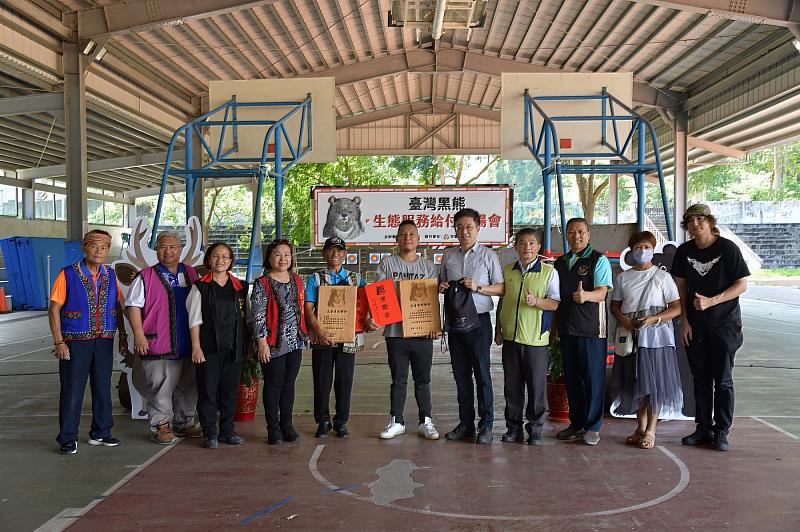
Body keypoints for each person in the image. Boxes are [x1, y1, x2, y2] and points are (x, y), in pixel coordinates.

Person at [672, 204, 749, 452]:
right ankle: (703, 427)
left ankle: (722, 431)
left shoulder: (727, 248)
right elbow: (681, 289)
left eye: (700, 218)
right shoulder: (684, 252)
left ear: (709, 221)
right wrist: (685, 321)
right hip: (696, 327)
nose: (695, 223)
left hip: (725, 325)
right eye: (690, 220)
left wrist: (711, 301)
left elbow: (741, 285)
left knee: (723, 380)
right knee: (700, 379)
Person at [48, 230, 126, 455]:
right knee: (72, 390)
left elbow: (118, 307)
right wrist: (59, 341)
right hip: (74, 342)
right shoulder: (68, 274)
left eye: (104, 247)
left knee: (102, 387)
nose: (100, 251)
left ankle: (101, 432)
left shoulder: (111, 275)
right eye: (94, 246)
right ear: (84, 247)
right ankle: (67, 437)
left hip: (104, 340)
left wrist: (123, 334)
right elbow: (54, 310)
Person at [610, 231, 683, 449]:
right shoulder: (623, 277)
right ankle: (640, 428)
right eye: (638, 248)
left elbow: (677, 307)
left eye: (646, 247)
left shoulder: (662, 277)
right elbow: (615, 305)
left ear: (653, 249)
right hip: (631, 337)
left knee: (655, 383)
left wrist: (655, 319)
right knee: (635, 381)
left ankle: (651, 429)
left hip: (656, 338)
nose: (642, 251)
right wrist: (625, 320)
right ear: (631, 251)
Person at [127, 231, 201, 445]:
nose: (168, 251)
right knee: (161, 386)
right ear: (156, 249)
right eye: (163, 247)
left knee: (188, 384)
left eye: (173, 247)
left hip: (188, 341)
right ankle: (161, 426)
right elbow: (133, 306)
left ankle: (184, 421)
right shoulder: (145, 276)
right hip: (158, 341)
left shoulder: (191, 274)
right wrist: (138, 334)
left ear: (180, 249)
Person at [438, 208, 505, 444]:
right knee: (461, 376)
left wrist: (478, 287)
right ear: (454, 230)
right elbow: (439, 284)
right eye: (459, 227)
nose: (464, 231)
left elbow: (501, 288)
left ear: (478, 228)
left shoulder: (488, 255)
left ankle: (486, 425)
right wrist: (442, 287)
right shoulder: (448, 256)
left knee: (482, 375)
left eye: (469, 227)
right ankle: (466, 424)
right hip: (456, 324)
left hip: (479, 322)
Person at [494, 228, 560, 446]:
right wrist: (499, 329)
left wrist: (537, 302)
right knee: (512, 387)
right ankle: (513, 429)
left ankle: (536, 429)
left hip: (536, 341)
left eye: (532, 243)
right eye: (522, 243)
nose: (527, 248)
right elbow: (503, 301)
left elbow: (554, 303)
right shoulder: (507, 270)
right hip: (511, 339)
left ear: (538, 247)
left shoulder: (549, 272)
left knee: (536, 387)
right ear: (516, 247)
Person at [376, 220, 440, 441]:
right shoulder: (387, 264)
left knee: (423, 380)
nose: (408, 238)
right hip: (395, 332)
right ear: (397, 238)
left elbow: (433, 300)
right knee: (399, 379)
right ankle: (397, 421)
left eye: (412, 234)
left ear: (419, 239)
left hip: (422, 333)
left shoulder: (428, 267)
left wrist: (434, 326)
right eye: (403, 234)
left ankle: (426, 421)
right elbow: (378, 296)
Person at [553, 218, 613, 446]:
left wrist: (585, 296)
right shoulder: (561, 264)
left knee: (593, 379)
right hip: (568, 331)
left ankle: (593, 427)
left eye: (580, 232)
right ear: (566, 236)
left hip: (591, 331)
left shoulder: (598, 260)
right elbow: (556, 300)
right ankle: (576, 424)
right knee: (573, 381)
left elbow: (602, 293)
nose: (576, 236)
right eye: (571, 232)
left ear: (588, 234)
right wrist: (554, 331)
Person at [187, 242, 249, 449]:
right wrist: (196, 347)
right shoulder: (200, 287)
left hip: (234, 348)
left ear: (231, 261)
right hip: (208, 350)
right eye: (216, 256)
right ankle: (210, 433)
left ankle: (227, 431)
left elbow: (247, 318)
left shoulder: (241, 287)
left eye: (225, 256)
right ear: (209, 260)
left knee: (230, 392)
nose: (220, 260)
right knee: (208, 391)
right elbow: (194, 320)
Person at [304, 236, 365, 439]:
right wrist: (318, 329)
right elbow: (308, 308)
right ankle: (322, 421)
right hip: (323, 338)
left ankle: (341, 421)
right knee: (321, 381)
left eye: (339, 251)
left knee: (344, 381)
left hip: (348, 338)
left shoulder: (356, 279)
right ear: (324, 254)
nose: (335, 254)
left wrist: (368, 320)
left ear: (345, 254)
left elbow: (368, 304)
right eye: (331, 250)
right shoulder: (316, 278)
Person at [252, 239, 308, 445]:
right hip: (273, 342)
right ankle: (273, 428)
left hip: (295, 341)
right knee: (274, 384)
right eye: (278, 254)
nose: (283, 258)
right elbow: (257, 315)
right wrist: (261, 342)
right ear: (269, 257)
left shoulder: (298, 279)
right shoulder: (262, 283)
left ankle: (287, 425)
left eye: (287, 254)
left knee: (289, 385)